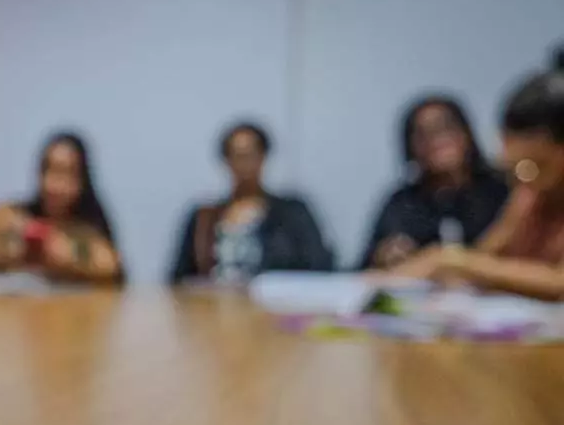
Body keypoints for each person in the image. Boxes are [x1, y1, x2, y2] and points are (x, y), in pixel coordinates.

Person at [388, 50, 564, 300]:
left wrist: (454, 262)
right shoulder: (531, 192)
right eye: (515, 168)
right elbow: (485, 256)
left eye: (536, 166)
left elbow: (559, 282)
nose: (523, 180)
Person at [168, 121, 334, 284]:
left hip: (274, 306)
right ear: (226, 160)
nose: (244, 164)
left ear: (263, 156)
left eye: (250, 155)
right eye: (236, 156)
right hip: (213, 305)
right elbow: (179, 277)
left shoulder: (292, 213)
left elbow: (318, 265)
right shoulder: (203, 217)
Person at [359, 95, 508, 269]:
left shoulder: (502, 191)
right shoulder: (402, 203)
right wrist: (384, 255)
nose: (437, 141)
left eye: (446, 128)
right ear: (410, 147)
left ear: (466, 134)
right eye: (423, 134)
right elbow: (365, 268)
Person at [0, 132, 123, 284]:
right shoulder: (10, 215)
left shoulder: (87, 231)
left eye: (65, 173)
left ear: (82, 181)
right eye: (48, 170)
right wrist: (17, 247)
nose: (53, 184)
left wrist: (68, 255)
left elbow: (112, 266)